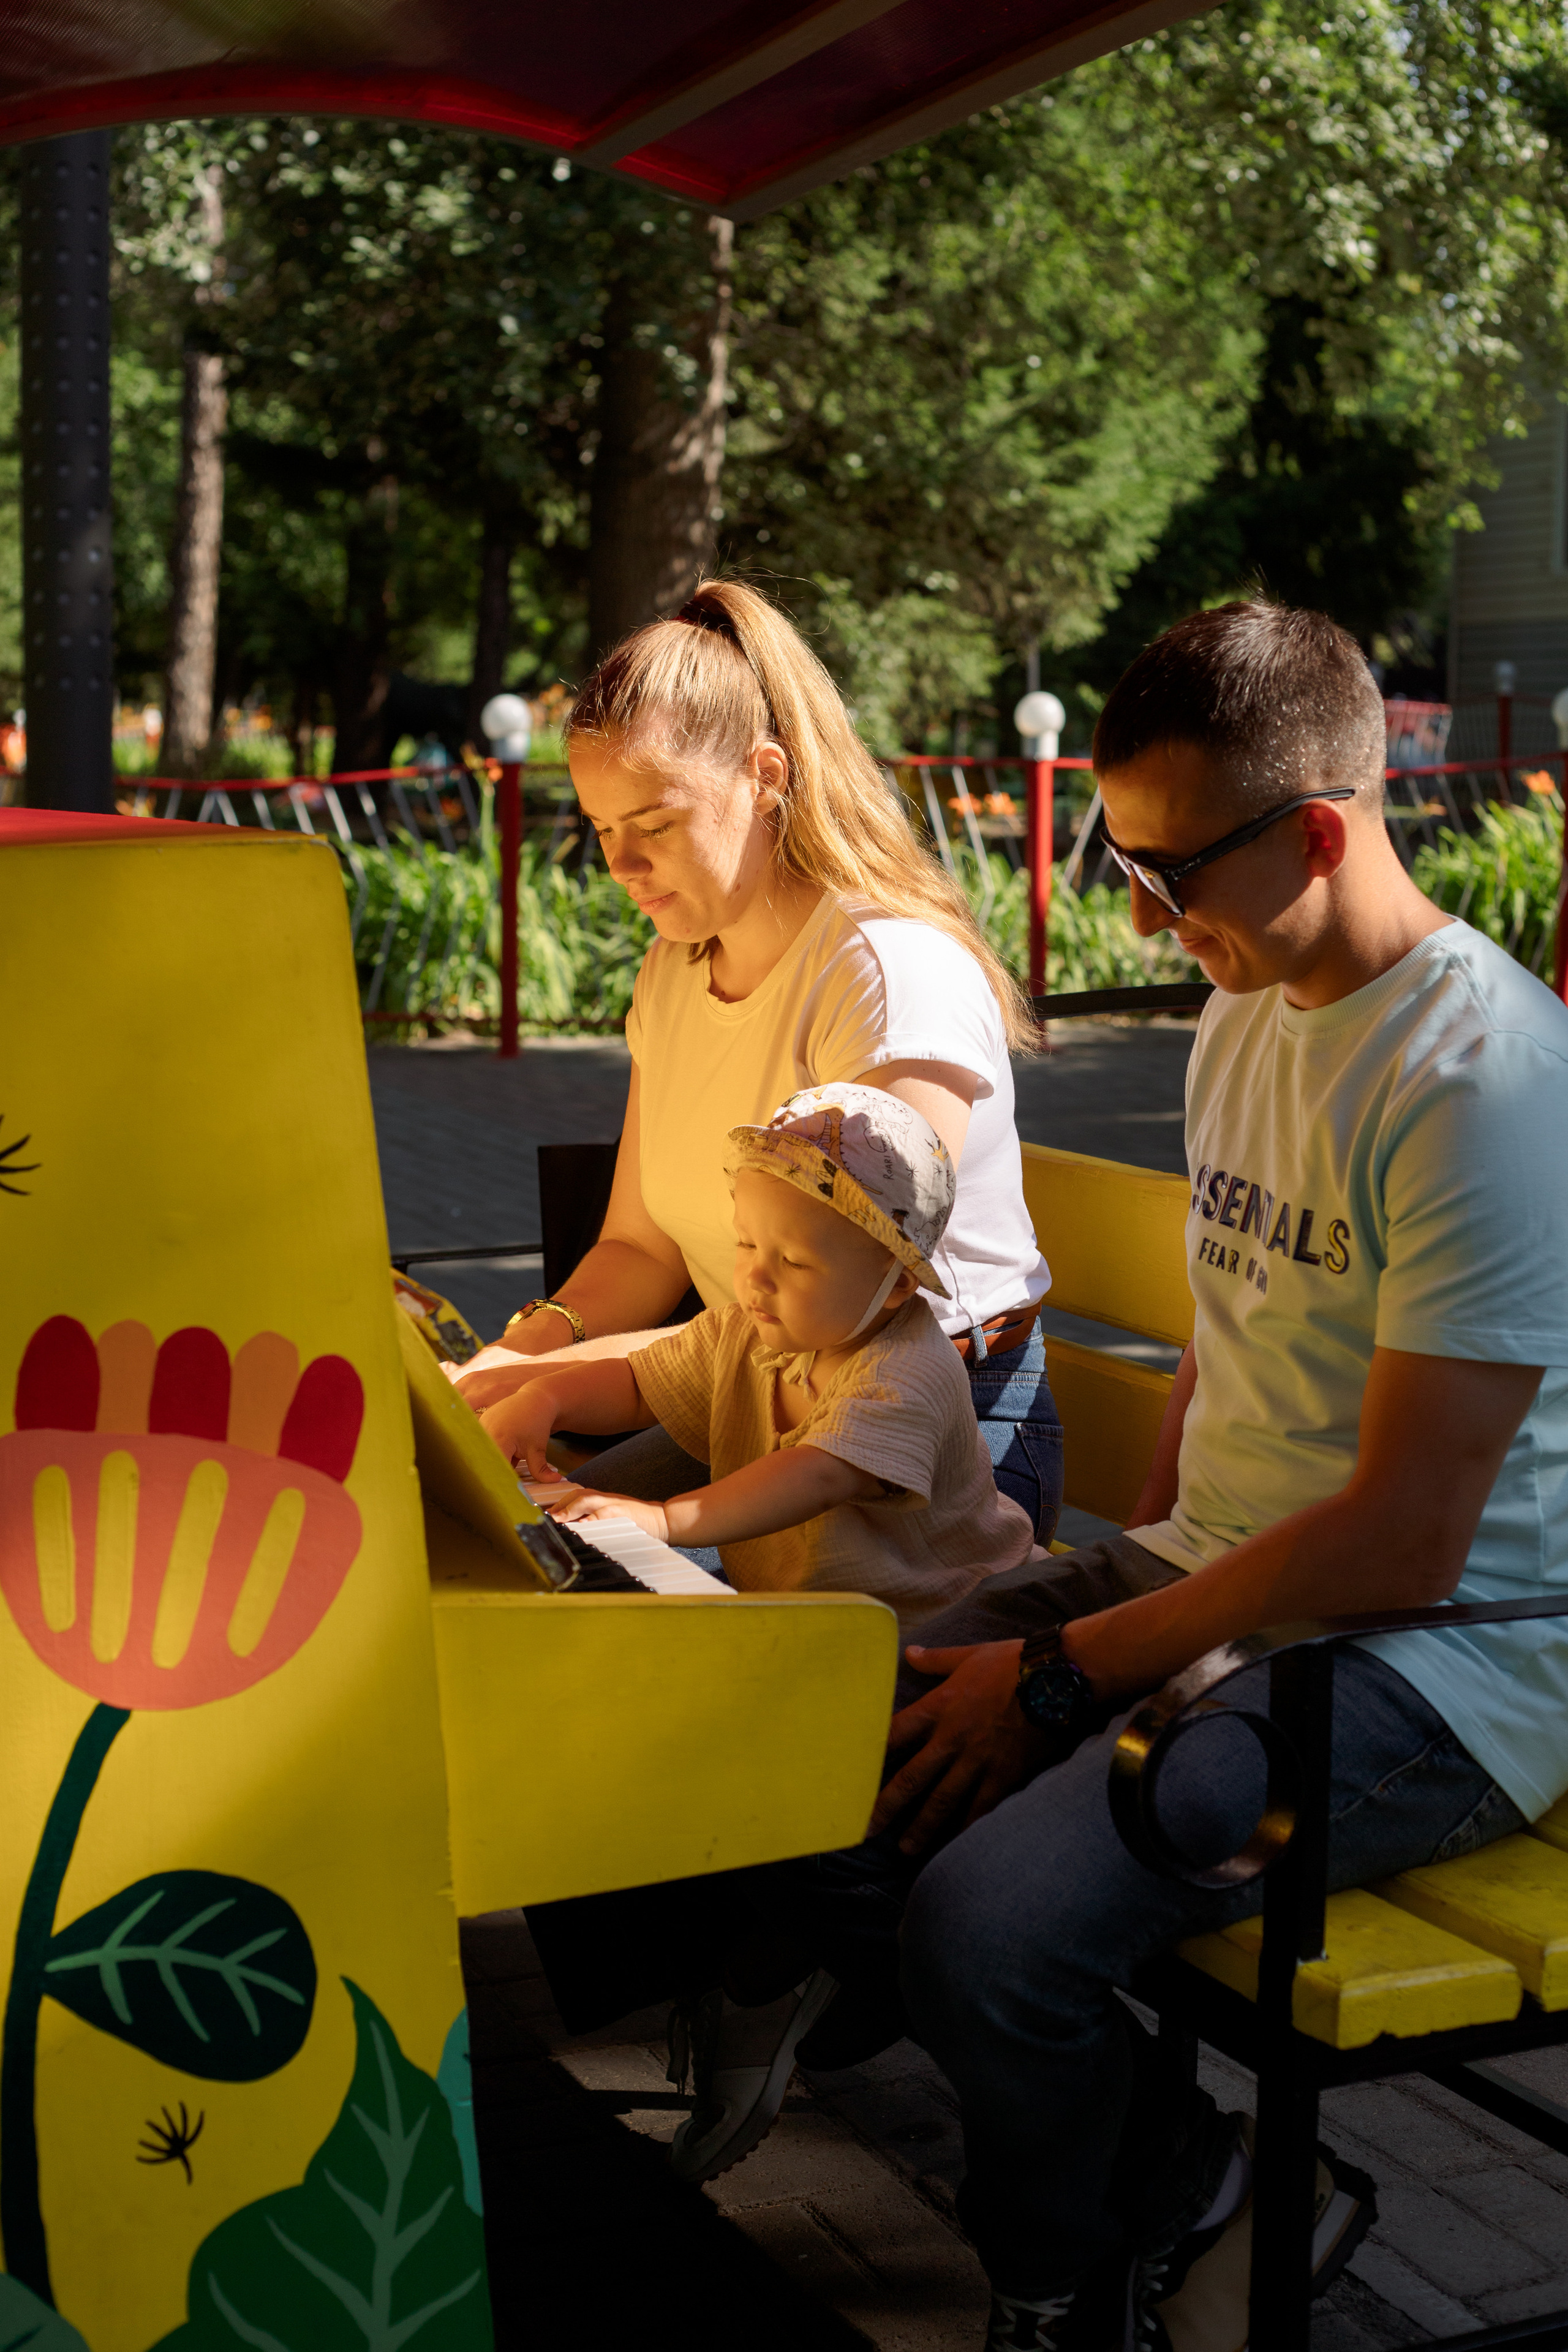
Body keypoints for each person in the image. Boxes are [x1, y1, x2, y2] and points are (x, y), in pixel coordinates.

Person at [524, 601, 1568, 2350]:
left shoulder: (1487, 1078)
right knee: (815, 1782)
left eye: (1169, 878)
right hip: (1234, 1581)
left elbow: (1404, 1533)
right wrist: (1110, 1581)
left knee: (990, 1931)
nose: (1138, 917)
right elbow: (1239, 1355)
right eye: (1121, 863)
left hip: (1436, 1664)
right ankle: (1204, 2191)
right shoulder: (1253, 1005)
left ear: (1317, 832)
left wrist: (1076, 1662)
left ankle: (1059, 2268)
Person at [453, 579, 1063, 1540]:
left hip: (931, 1443)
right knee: (511, 1527)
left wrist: (541, 1380)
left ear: (765, 776)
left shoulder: (885, 973)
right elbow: (639, 1249)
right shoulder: (673, 969)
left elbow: (845, 1299)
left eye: (652, 825)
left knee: (578, 1568)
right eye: (603, 830)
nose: (620, 866)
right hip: (755, 1390)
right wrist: (515, 1356)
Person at [483, 1085, 1035, 1629]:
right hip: (823, 1615)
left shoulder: (907, 1373)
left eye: (794, 1261)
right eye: (746, 1243)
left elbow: (818, 1475)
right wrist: (545, 1397)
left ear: (896, 1282)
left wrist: (667, 1520)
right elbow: (638, 1384)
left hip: (948, 1623)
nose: (755, 1276)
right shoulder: (750, 1331)